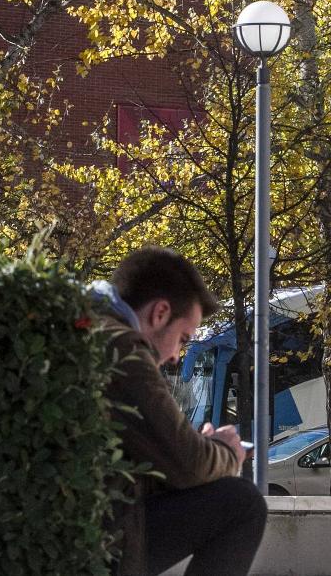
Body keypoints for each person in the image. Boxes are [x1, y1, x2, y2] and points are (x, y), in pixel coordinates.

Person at [95, 246, 266, 576]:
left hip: (90, 521)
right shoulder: (123, 351)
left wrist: (197, 448)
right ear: (160, 313)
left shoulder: (95, 330)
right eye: (184, 339)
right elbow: (188, 463)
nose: (176, 356)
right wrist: (226, 452)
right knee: (242, 503)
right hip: (100, 541)